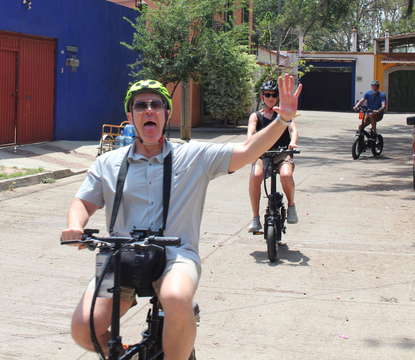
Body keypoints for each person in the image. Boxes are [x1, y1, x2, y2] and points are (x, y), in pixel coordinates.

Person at [61, 75, 302, 360]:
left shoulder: (193, 155)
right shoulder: (108, 163)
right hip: (122, 256)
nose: (148, 110)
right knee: (83, 328)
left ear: (166, 114)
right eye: (140, 106)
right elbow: (83, 202)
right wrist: (75, 227)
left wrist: (283, 119)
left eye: (156, 105)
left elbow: (248, 151)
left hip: (176, 255)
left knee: (175, 298)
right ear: (130, 116)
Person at [246, 80, 299, 234]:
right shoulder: (255, 116)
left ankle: (291, 206)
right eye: (267, 94)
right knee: (255, 176)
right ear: (262, 97)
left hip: (282, 153)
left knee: (286, 175)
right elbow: (251, 132)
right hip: (262, 153)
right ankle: (255, 218)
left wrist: (293, 142)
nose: (270, 97)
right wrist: (251, 143)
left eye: (274, 95)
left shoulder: (284, 113)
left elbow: (293, 130)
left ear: (278, 97)